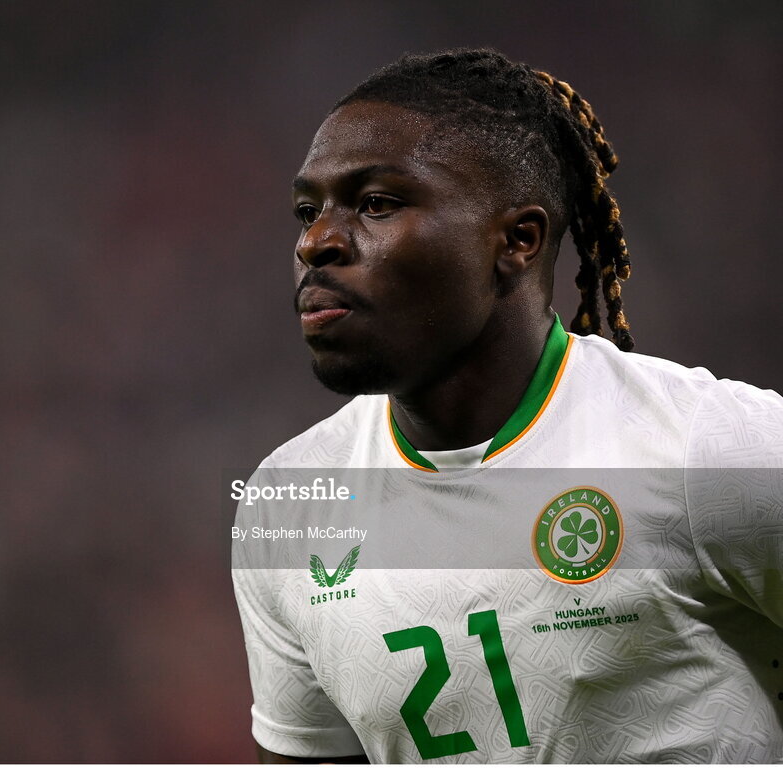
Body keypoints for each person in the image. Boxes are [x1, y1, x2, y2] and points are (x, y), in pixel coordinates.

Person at [231, 48, 783, 763]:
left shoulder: (710, 451)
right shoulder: (289, 504)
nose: (318, 242)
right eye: (309, 211)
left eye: (376, 203)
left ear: (517, 241)